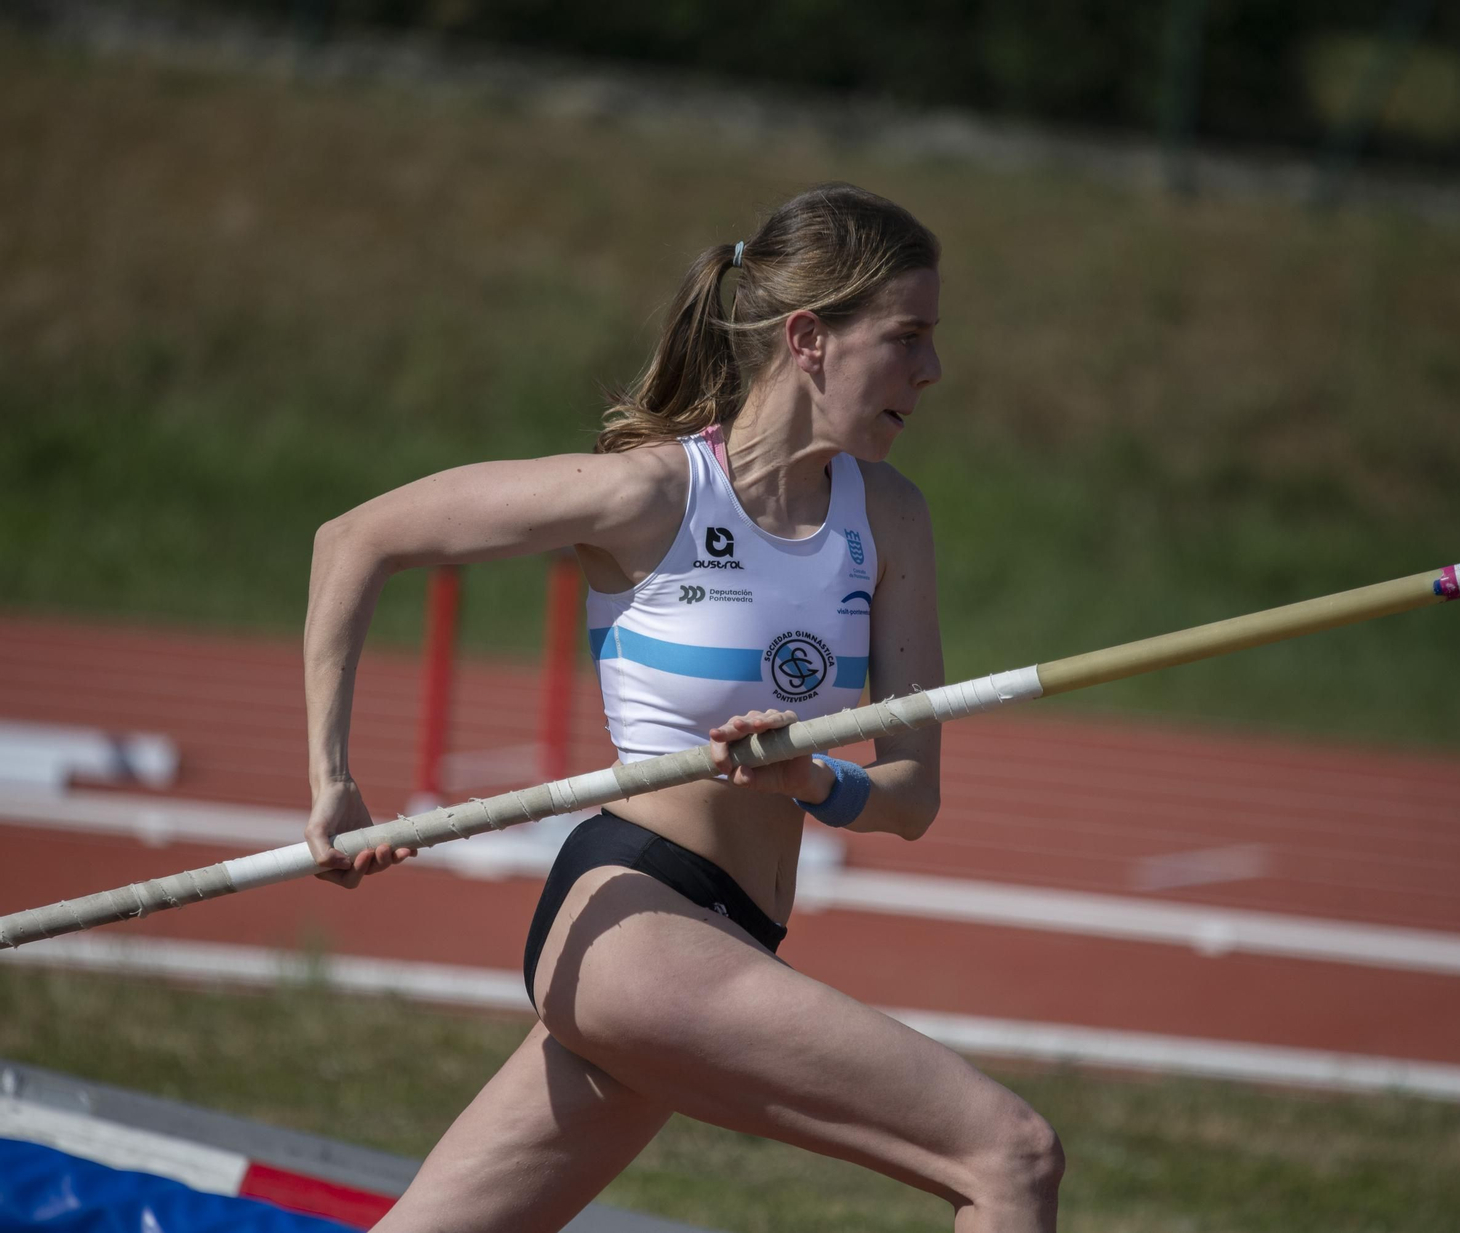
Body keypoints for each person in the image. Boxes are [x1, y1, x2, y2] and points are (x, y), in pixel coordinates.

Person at [301, 182, 1065, 1232]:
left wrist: (813, 780)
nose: (931, 370)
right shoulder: (653, 495)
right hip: (636, 922)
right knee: (1008, 1154)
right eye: (908, 338)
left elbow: (911, 795)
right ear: (809, 338)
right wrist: (333, 782)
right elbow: (354, 540)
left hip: (733, 935)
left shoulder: (889, 518)